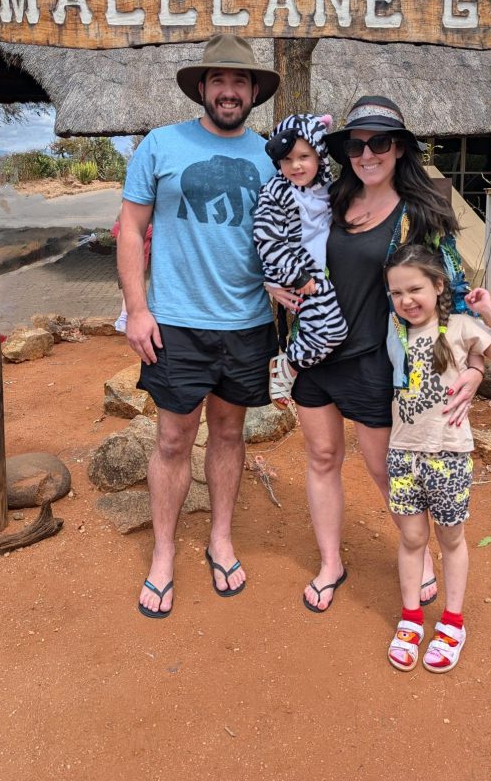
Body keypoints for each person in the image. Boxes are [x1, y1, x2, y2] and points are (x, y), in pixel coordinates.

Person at [269, 95, 486, 613]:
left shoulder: (421, 213)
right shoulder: (326, 198)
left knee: (383, 468)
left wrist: (475, 366)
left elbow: (454, 294)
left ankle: (419, 551)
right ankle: (330, 562)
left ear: (399, 149)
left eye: (379, 143)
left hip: (375, 360)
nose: (367, 154)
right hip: (316, 354)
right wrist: (274, 285)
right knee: (321, 458)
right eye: (357, 144)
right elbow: (281, 248)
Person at [117, 34, 280, 618]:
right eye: (218, 81)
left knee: (231, 434)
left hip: (246, 321)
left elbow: (286, 236)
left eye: (239, 82)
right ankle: (164, 554)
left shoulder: (269, 158)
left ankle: (221, 538)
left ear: (254, 92)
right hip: (176, 322)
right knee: (171, 438)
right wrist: (138, 309)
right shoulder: (160, 146)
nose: (229, 91)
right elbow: (131, 230)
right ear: (203, 89)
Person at [383, 246, 491, 672]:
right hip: (403, 453)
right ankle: (411, 619)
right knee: (412, 539)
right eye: (396, 292)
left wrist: (489, 310)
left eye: (415, 289)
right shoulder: (393, 329)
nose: (406, 299)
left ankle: (451, 622)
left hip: (449, 454)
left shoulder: (463, 327)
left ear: (438, 286)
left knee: (450, 540)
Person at [253, 113, 348, 406]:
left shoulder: (326, 186)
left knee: (329, 328)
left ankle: (294, 360)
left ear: (320, 156)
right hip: (301, 270)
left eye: (304, 156)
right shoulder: (276, 191)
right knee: (332, 331)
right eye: (287, 159)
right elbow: (266, 238)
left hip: (324, 269)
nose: (295, 166)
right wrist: (297, 275)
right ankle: (288, 367)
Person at [111, 219, 152, 333]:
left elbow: (113, 233)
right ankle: (123, 319)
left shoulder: (118, 226)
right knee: (130, 293)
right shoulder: (147, 228)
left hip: (123, 265)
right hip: (136, 267)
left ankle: (125, 319)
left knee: (126, 292)